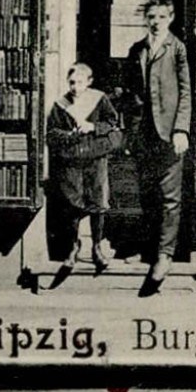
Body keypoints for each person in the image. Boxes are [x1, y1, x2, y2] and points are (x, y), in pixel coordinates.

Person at [126, 0, 191, 296]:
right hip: (143, 135)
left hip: (169, 135)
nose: (155, 21)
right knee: (147, 194)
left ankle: (165, 256)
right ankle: (148, 250)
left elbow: (188, 92)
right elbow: (131, 95)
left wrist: (181, 129)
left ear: (171, 17)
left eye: (161, 16)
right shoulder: (136, 50)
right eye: (151, 16)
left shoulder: (177, 48)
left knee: (170, 198)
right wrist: (130, 133)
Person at [45, 62, 119, 277]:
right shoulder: (60, 105)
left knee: (98, 204)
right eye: (71, 83)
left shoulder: (99, 99)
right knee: (72, 206)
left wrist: (94, 127)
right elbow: (52, 133)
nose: (75, 87)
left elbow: (112, 123)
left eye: (79, 82)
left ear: (89, 82)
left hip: (95, 158)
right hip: (72, 161)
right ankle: (73, 248)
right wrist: (69, 136)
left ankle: (96, 247)